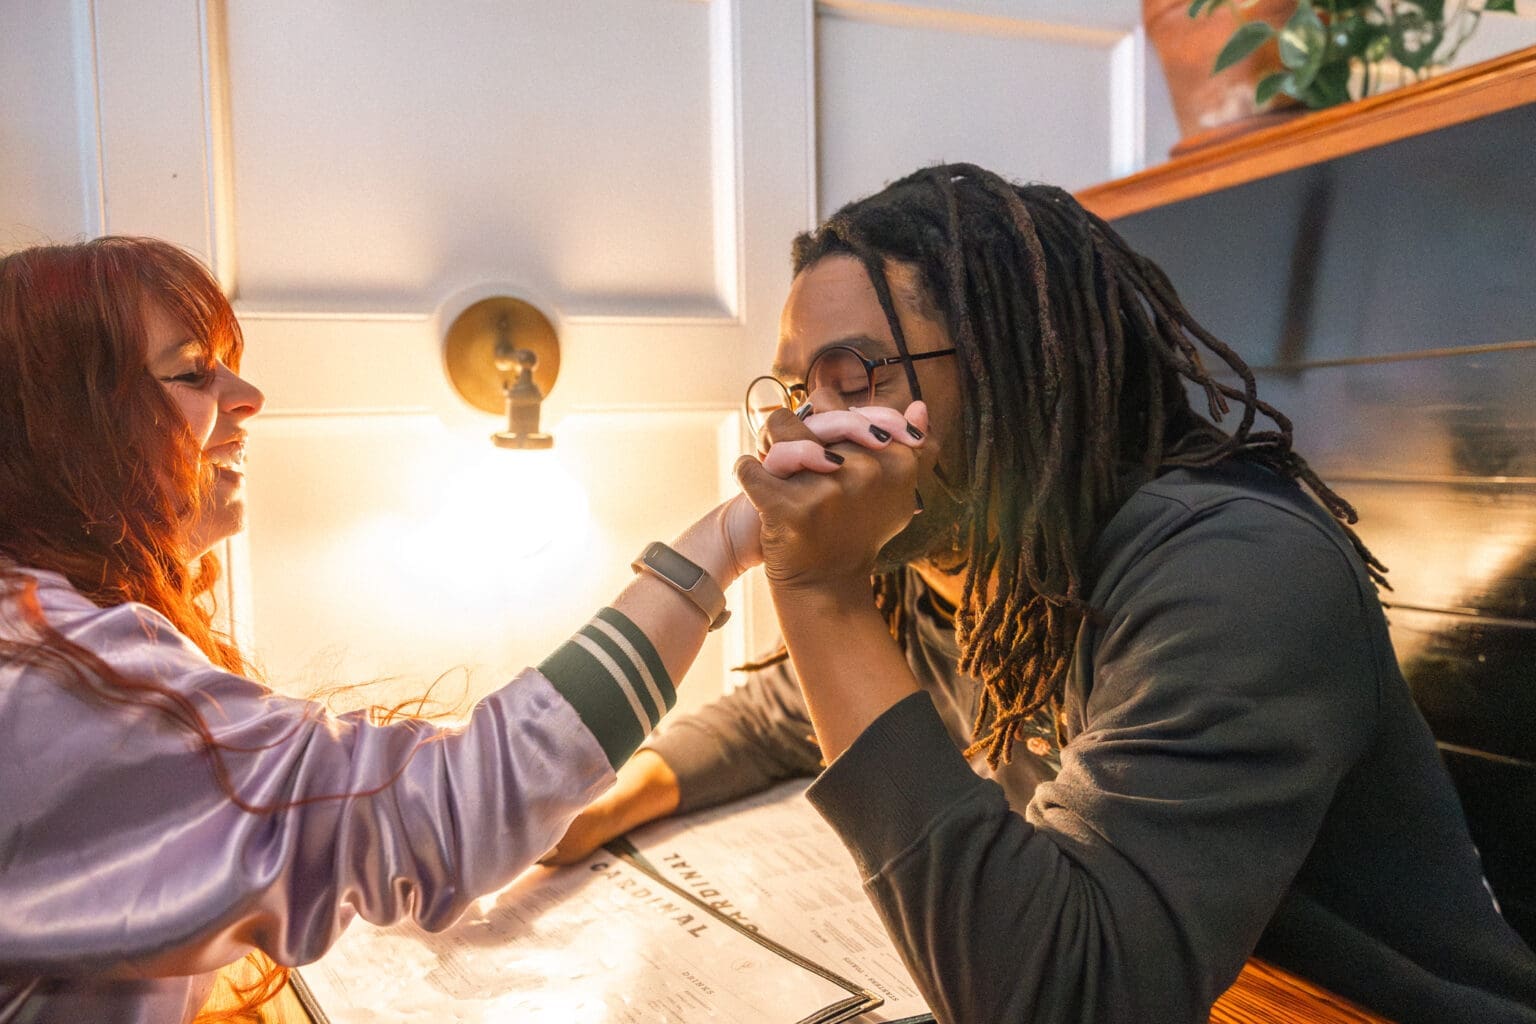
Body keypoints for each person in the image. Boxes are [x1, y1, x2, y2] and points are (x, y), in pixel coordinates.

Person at [553, 164, 1536, 1023]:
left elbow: (1071, 998)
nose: (805, 431)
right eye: (798, 393)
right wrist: (621, 793)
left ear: (1013, 363)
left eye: (853, 377)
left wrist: (819, 589)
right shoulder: (961, 567)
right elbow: (783, 713)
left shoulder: (1236, 570)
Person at [0, 236, 922, 1024]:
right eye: (193, 373)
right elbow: (441, 816)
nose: (247, 396)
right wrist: (719, 545)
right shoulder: (54, 684)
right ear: (65, 427)